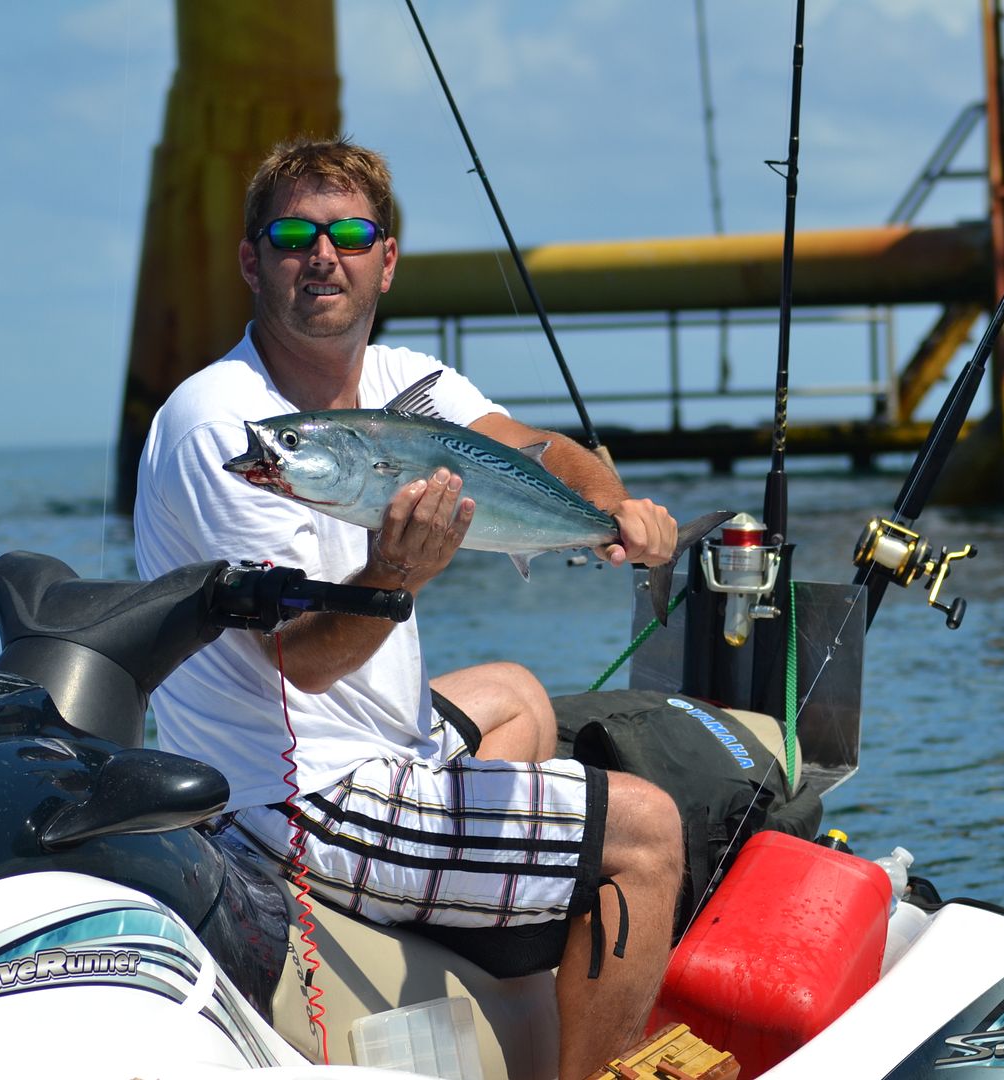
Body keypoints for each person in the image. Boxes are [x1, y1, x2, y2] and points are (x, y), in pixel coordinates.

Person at [134, 135, 683, 1078]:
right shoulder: (229, 426)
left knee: (517, 696)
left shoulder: (404, 387)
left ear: (386, 261)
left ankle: (479, 941)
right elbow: (302, 661)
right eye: (294, 236)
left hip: (374, 747)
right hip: (292, 799)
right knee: (647, 832)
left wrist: (614, 509)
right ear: (252, 262)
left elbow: (538, 449)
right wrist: (398, 570)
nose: (323, 256)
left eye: (350, 235)